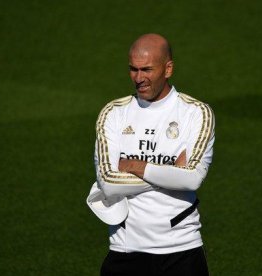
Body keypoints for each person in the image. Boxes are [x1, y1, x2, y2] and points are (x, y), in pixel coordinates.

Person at [89, 33, 215, 276]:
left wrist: (136, 166)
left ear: (168, 69)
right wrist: (171, 174)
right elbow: (108, 183)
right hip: (125, 251)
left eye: (146, 69)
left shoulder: (196, 113)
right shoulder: (113, 113)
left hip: (182, 251)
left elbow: (192, 179)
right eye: (133, 70)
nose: (139, 78)